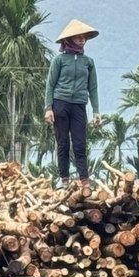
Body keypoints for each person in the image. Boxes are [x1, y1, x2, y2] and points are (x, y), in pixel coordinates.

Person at [44, 19, 101, 189]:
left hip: (79, 105)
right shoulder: (59, 60)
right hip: (60, 104)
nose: (82, 40)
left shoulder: (88, 62)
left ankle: (84, 179)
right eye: (78, 38)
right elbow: (50, 84)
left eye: (84, 38)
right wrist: (48, 108)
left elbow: (93, 88)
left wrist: (96, 111)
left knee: (80, 143)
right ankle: (64, 180)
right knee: (63, 143)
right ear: (69, 39)